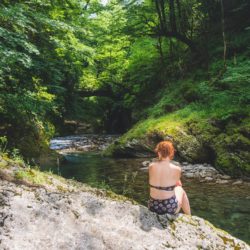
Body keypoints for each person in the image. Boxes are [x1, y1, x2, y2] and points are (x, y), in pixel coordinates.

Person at [148, 141, 191, 215]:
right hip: (169, 208)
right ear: (171, 153)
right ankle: (189, 216)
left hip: (153, 207)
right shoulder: (177, 169)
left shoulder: (151, 166)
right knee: (180, 189)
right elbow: (179, 184)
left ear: (159, 152)